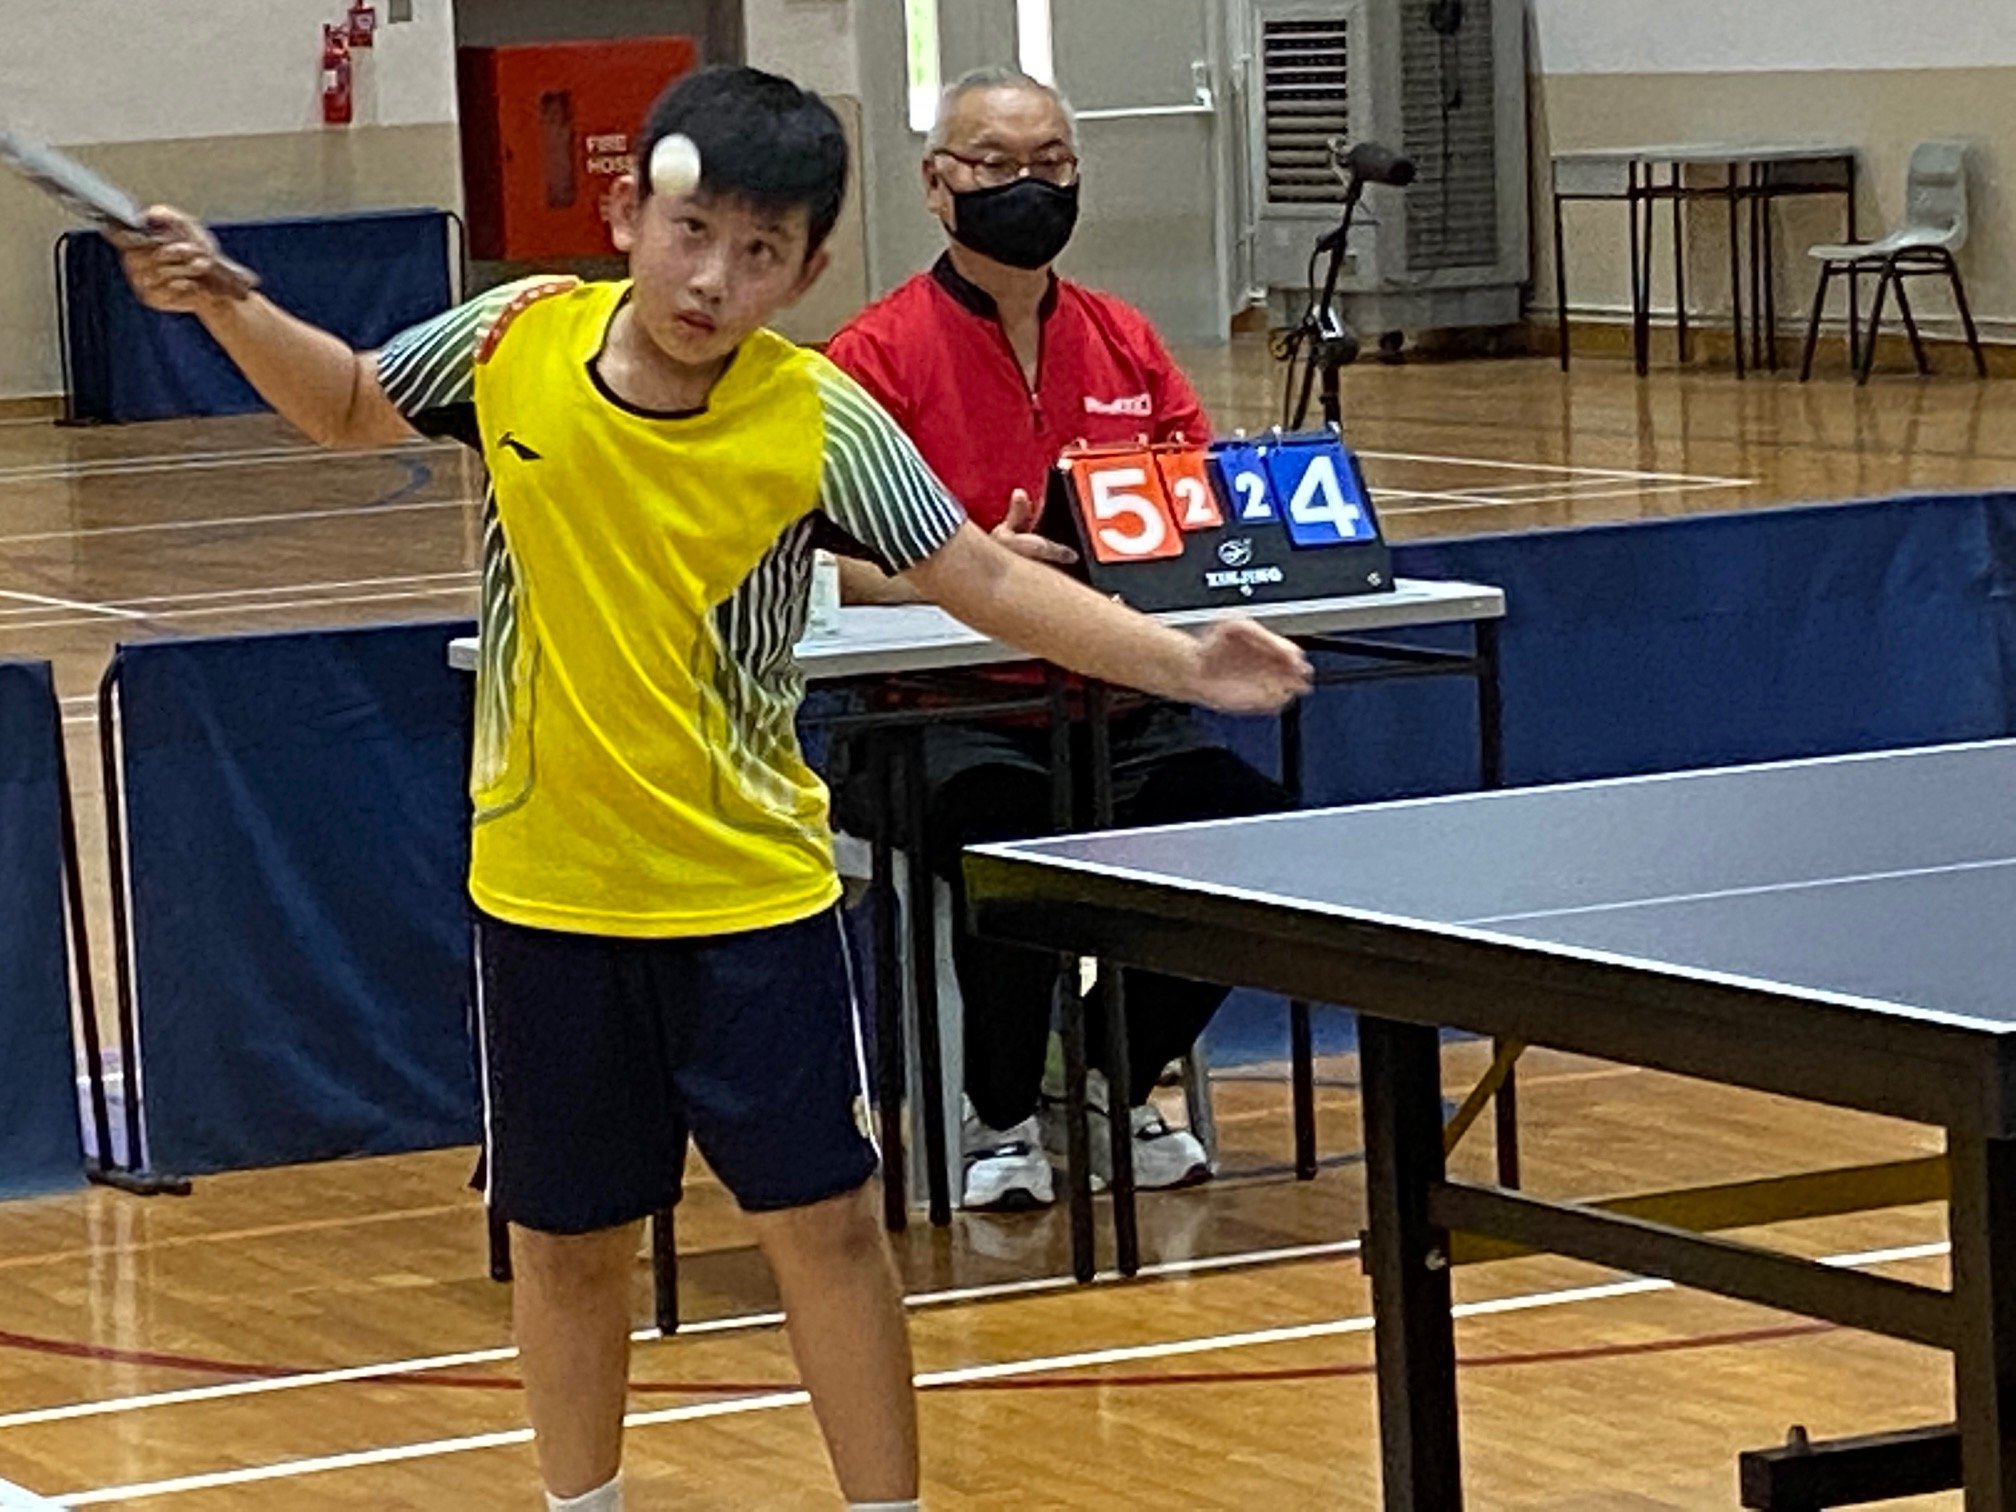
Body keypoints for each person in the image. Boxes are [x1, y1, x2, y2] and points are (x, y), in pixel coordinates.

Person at [119, 65, 1310, 1512]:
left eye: (761, 255)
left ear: (807, 271)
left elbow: (985, 578)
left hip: (752, 896)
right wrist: (228, 302)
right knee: (567, 1242)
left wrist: (1182, 661)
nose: (712, 280)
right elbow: (355, 403)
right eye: (693, 234)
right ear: (628, 212)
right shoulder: (516, 340)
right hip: (546, 894)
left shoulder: (819, 421)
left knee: (828, 1225)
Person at [826, 68, 1295, 1214]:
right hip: (940, 720)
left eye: (1052, 164)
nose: (1026, 185)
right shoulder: (872, 358)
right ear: (940, 187)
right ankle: (995, 1119)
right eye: (996, 163)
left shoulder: (1126, 343)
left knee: (1255, 840)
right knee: (1011, 841)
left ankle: (1095, 1075)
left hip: (1120, 708)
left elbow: (1203, 509)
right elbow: (815, 560)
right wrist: (964, 573)